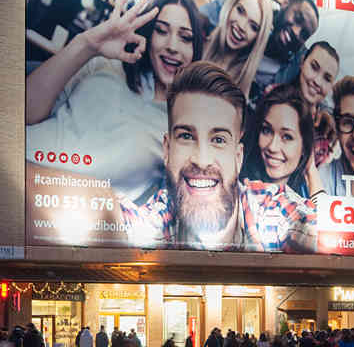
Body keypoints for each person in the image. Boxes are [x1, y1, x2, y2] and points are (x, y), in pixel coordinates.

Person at [25, 0, 205, 202]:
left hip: (64, 208)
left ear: (196, 48)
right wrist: (88, 45)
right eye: (161, 31)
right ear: (148, 33)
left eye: (185, 38)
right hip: (17, 161)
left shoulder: (180, 128)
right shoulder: (104, 64)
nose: (172, 46)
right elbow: (24, 111)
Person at [120, 61, 317, 253]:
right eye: (186, 136)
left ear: (238, 157)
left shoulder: (267, 207)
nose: (202, 160)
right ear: (167, 150)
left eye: (219, 140)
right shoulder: (158, 216)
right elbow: (109, 218)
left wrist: (309, 236)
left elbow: (315, 224)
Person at [240, 83, 324, 200]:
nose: (272, 147)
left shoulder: (305, 194)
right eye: (266, 130)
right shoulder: (242, 188)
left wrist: (310, 170)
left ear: (304, 146)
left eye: (287, 137)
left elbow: (324, 218)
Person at [202, 0, 272, 97]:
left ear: (257, 38)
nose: (242, 26)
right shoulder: (196, 44)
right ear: (230, 6)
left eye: (253, 27)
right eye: (240, 11)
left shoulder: (239, 90)